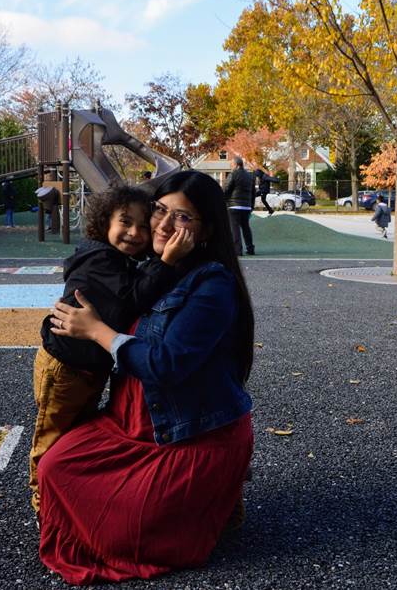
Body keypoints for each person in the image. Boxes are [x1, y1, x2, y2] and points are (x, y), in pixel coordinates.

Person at [41, 170, 255, 585]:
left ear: (206, 230)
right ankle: (212, 504)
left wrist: (97, 332)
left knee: (122, 533)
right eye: (159, 210)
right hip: (130, 422)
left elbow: (165, 364)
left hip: (187, 436)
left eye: (182, 218)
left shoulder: (212, 285)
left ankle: (213, 500)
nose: (161, 224)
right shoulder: (152, 268)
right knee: (54, 469)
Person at [28, 184, 193, 513]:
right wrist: (166, 262)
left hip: (83, 367)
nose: (134, 233)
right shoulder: (101, 260)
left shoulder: (113, 257)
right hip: (66, 367)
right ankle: (42, 505)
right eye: (125, 222)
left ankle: (63, 496)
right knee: (52, 436)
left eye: (143, 226)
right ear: (104, 223)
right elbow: (131, 301)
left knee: (74, 432)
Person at [224, 155, 255, 256]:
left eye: (231, 165)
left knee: (235, 228)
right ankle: (250, 249)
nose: (230, 167)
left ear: (236, 165)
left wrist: (222, 200)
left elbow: (226, 190)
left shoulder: (233, 174)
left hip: (234, 206)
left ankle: (238, 250)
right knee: (246, 227)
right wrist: (251, 206)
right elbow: (253, 193)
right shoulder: (250, 176)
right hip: (247, 206)